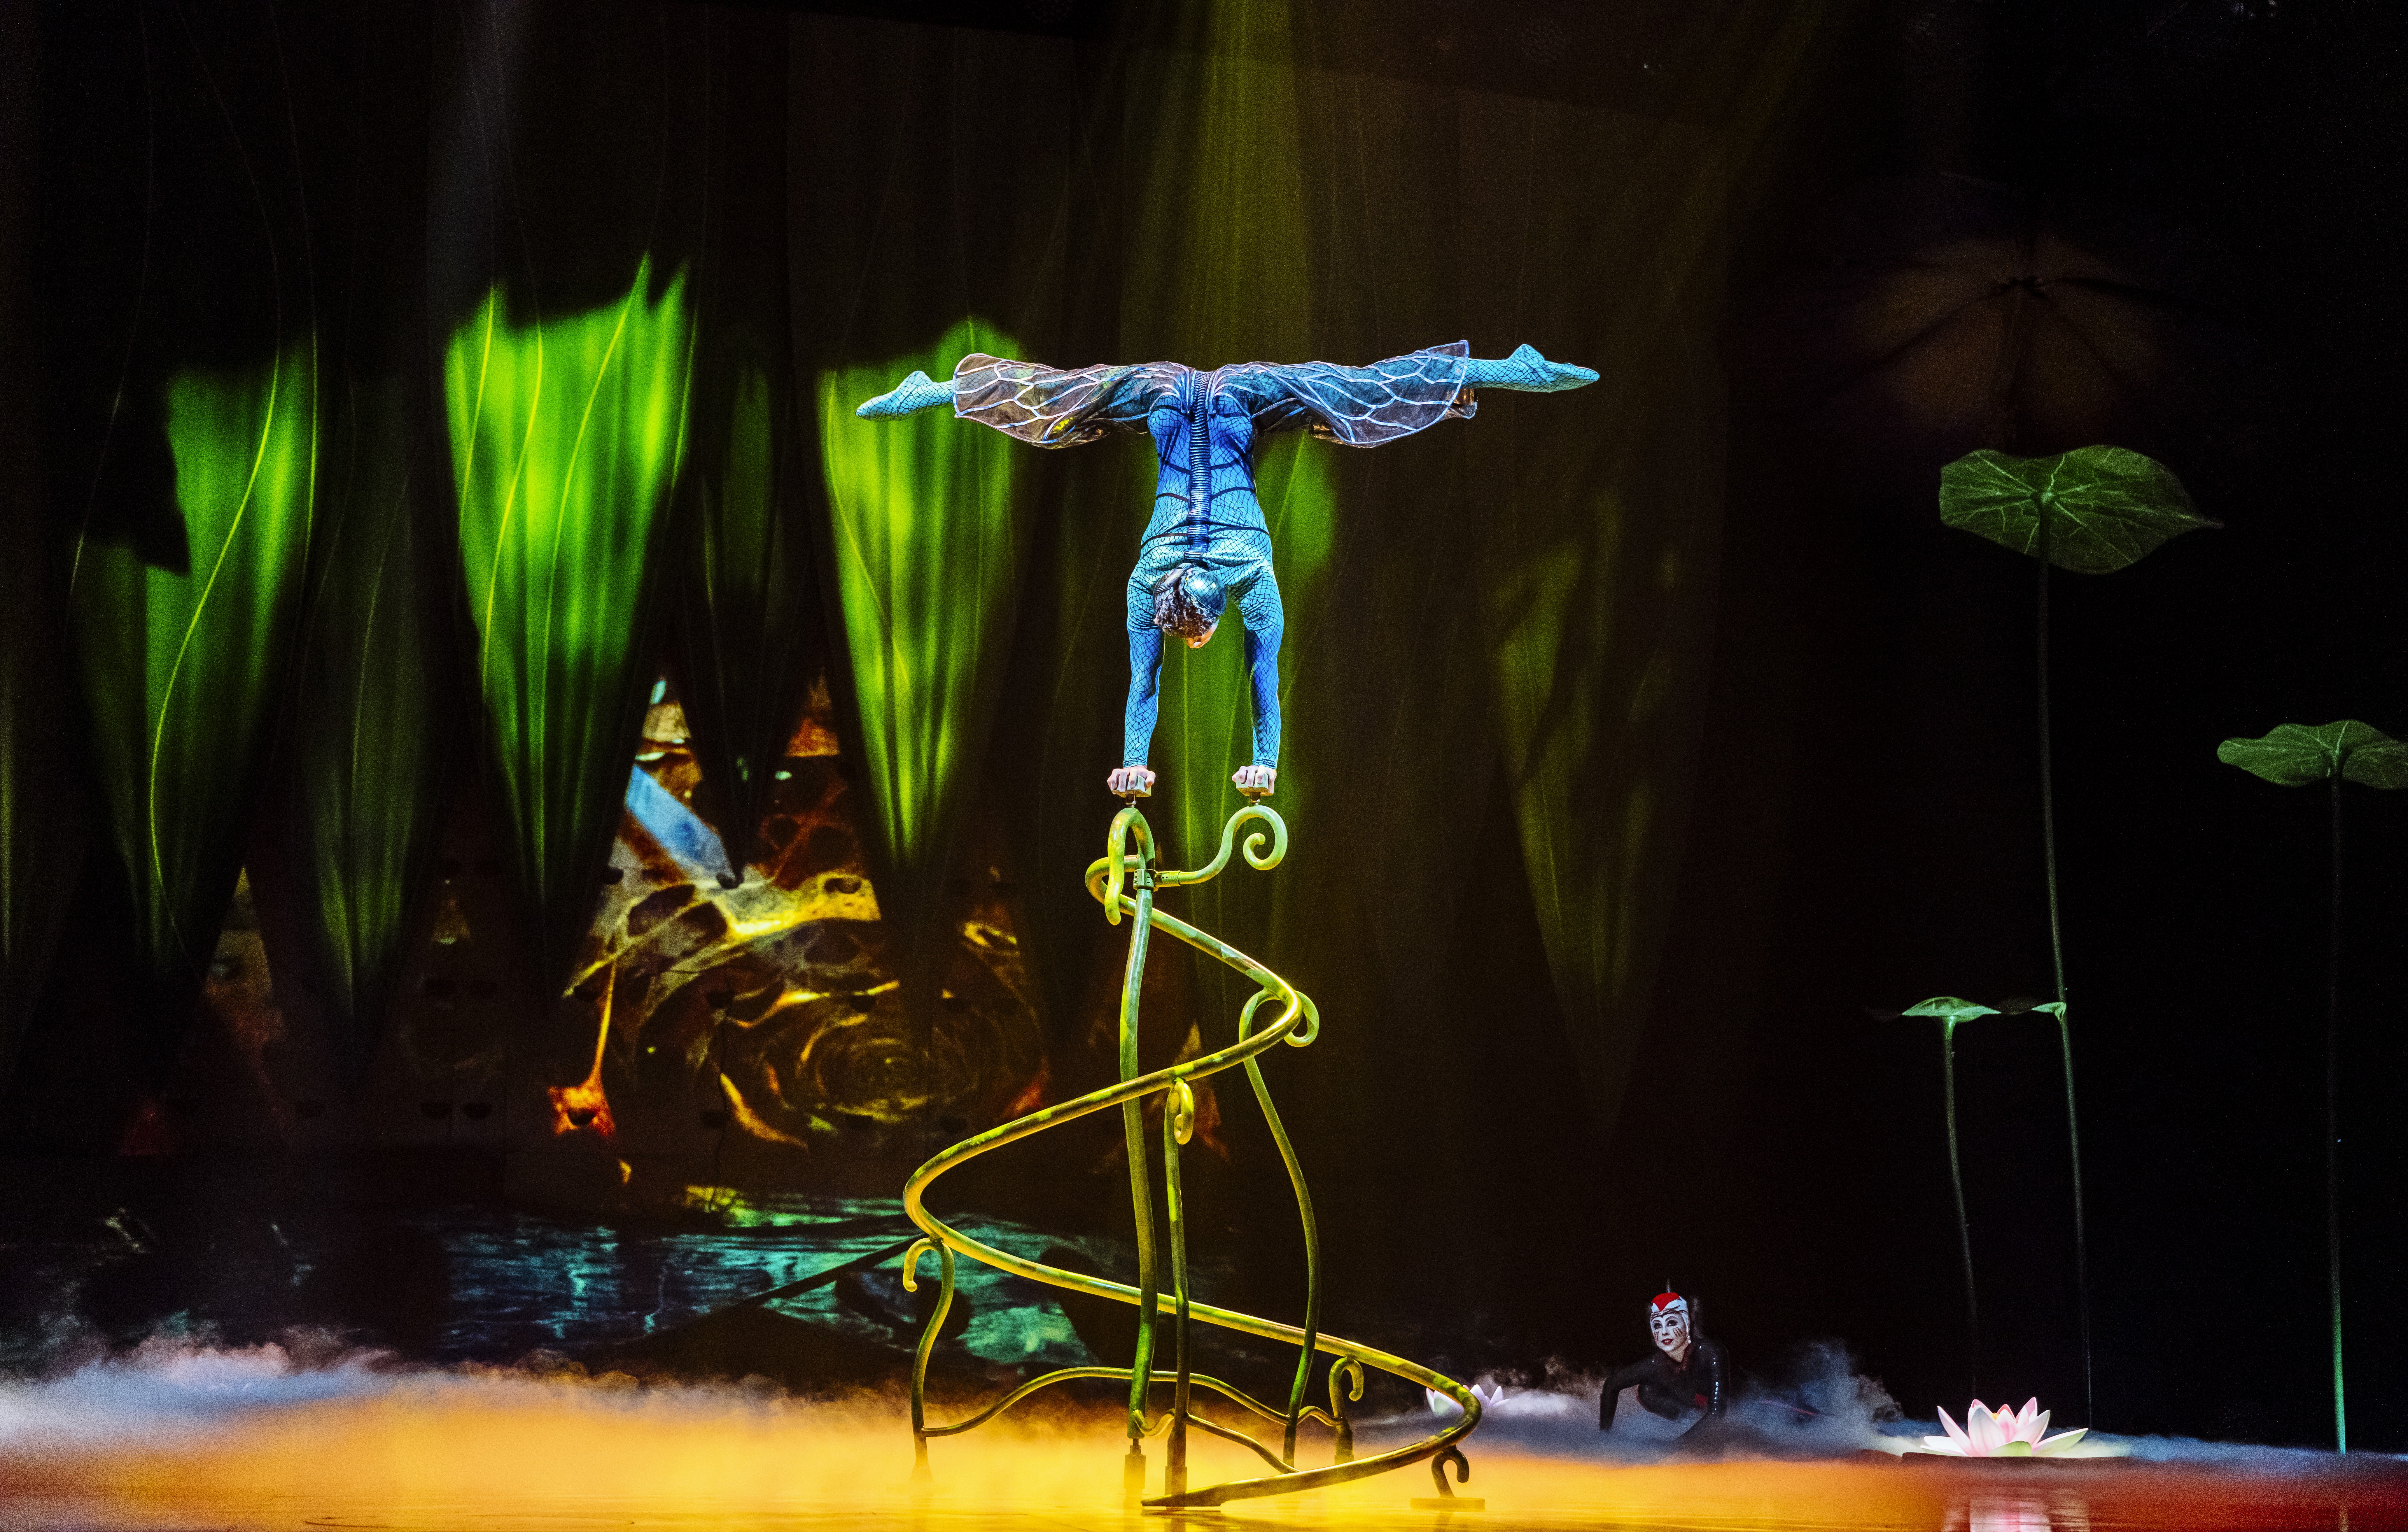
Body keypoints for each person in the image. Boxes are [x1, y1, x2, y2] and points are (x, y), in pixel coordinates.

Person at [855, 342, 1597, 800]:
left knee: (1344, 391)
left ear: (1203, 621)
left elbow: (1256, 682)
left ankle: (1501, 371)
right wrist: (1135, 766)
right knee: (1076, 395)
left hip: (1229, 397)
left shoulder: (1242, 581)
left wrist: (1253, 766)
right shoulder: (1151, 580)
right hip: (1172, 392)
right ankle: (1494, 371)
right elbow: (1148, 685)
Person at [1599, 1291, 1728, 1436]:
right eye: (1657, 1325)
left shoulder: (1709, 1352)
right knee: (1646, 1391)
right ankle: (1693, 1425)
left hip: (1735, 1406)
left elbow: (1718, 1412)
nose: (1664, 1332)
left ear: (1687, 1322)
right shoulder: (1656, 1363)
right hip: (1699, 1409)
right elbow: (1612, 1384)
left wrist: (1679, 1447)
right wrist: (1604, 1436)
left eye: (1672, 1323)